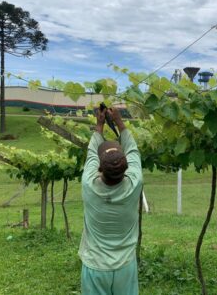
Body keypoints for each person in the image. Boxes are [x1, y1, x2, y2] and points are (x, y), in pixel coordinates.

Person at [78, 107, 142, 295]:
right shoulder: (134, 183)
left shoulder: (89, 185)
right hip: (125, 266)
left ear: (99, 167)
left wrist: (99, 125)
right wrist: (120, 122)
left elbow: (91, 153)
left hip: (95, 266)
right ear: (126, 168)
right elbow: (132, 149)